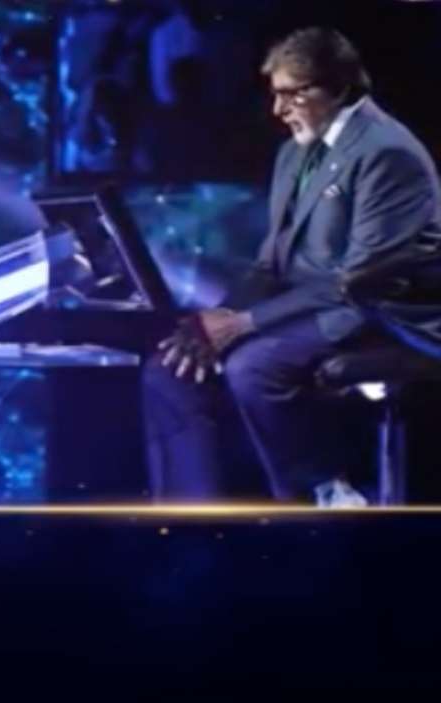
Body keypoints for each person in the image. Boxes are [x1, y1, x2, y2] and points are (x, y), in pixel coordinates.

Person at [143, 27, 441, 506]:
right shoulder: (294, 153)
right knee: (170, 369)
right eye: (275, 94)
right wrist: (215, 320)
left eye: (293, 94)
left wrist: (242, 324)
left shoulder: (387, 153)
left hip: (378, 313)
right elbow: (270, 265)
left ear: (338, 88)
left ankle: (319, 498)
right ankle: (193, 519)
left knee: (254, 366)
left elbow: (361, 281)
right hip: (308, 308)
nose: (278, 110)